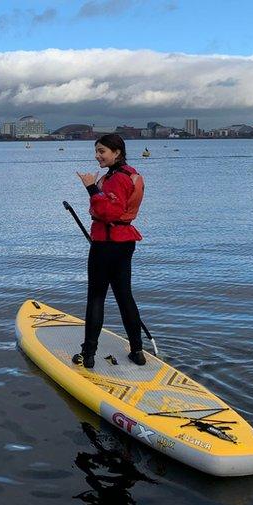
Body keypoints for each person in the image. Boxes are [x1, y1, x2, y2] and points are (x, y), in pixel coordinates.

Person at [72, 134, 146, 369]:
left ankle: (88, 355)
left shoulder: (116, 179)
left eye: (102, 151)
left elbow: (110, 212)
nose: (97, 156)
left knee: (96, 297)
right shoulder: (130, 175)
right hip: (124, 243)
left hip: (106, 243)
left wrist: (91, 188)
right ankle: (137, 351)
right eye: (96, 151)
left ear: (117, 153)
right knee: (125, 296)